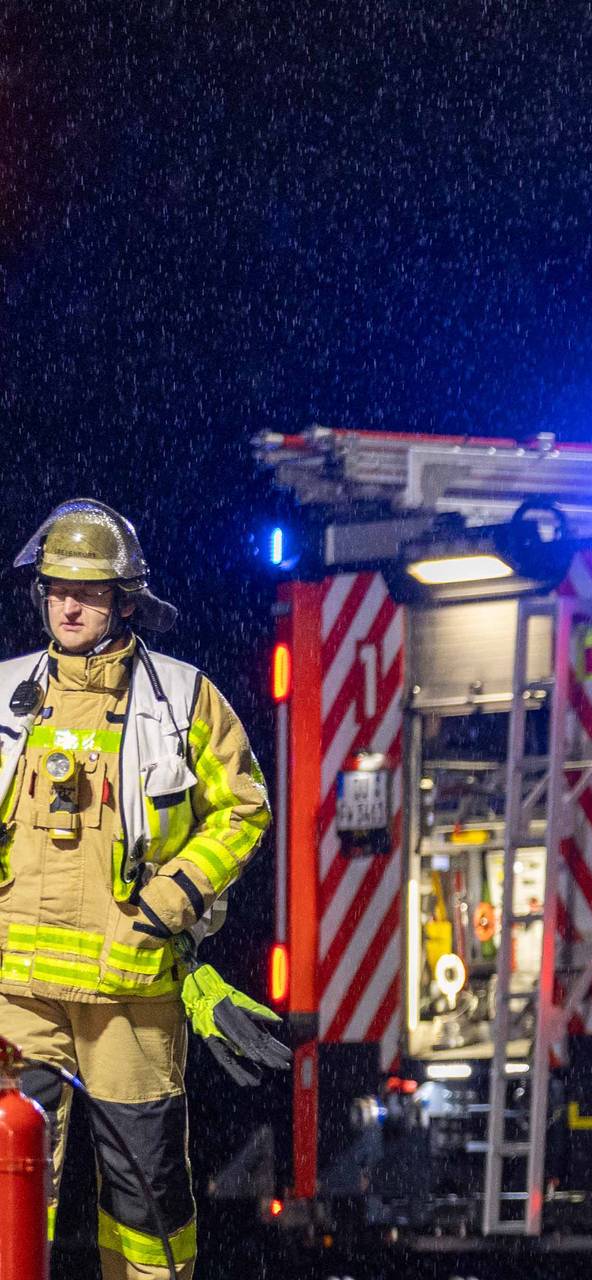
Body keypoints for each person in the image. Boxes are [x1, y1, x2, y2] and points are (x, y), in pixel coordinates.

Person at [0, 500, 283, 1279]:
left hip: (133, 990)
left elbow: (245, 807)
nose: (68, 604)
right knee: (10, 1180)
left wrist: (170, 903)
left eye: (87, 592)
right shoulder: (5, 696)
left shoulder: (183, 699)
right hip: (16, 995)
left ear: (126, 599)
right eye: (57, 588)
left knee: (146, 1195)